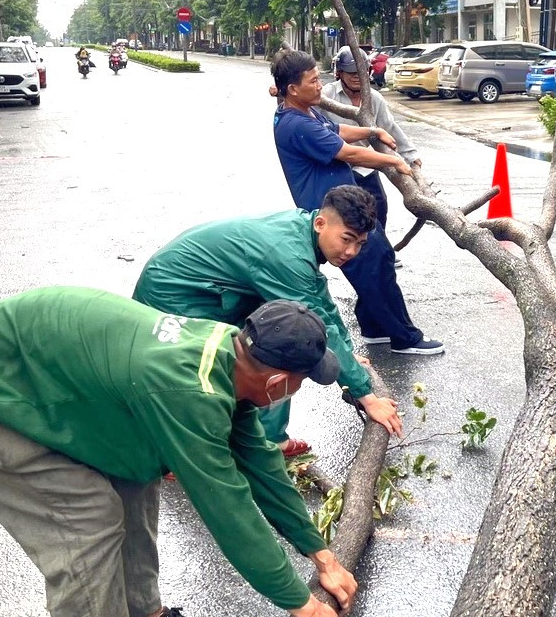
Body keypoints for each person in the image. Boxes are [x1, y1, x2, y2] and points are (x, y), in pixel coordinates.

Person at [0, 288, 357, 617]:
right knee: (86, 516)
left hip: (23, 374)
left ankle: (143, 610)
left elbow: (259, 463)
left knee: (135, 477)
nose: (296, 391)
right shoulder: (189, 391)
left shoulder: (228, 351)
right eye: (302, 381)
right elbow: (228, 508)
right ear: (278, 381)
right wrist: (299, 602)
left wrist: (320, 553)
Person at [134, 185, 403, 458]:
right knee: (218, 364)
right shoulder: (288, 255)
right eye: (346, 239)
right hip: (175, 292)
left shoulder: (303, 234)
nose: (352, 251)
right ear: (321, 223)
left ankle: (268, 440)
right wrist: (366, 395)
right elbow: (317, 327)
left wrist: (349, 354)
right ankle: (170, 451)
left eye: (360, 243)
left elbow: (323, 307)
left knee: (280, 337)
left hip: (216, 291)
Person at [271, 48, 444, 356]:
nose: (319, 85)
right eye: (312, 81)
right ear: (293, 88)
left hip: (345, 204)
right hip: (334, 216)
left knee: (376, 263)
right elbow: (347, 152)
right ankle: (405, 338)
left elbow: (338, 130)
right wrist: (395, 162)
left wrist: (372, 130)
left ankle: (375, 328)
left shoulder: (307, 112)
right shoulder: (295, 124)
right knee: (376, 266)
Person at [322, 46, 421, 235]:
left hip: (364, 164)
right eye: (350, 72)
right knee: (341, 213)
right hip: (336, 166)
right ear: (340, 73)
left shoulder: (375, 98)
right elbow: (306, 113)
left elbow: (390, 127)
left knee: (379, 205)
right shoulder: (327, 96)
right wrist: (281, 94)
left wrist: (411, 155)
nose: (356, 76)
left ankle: (379, 248)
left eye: (360, 72)